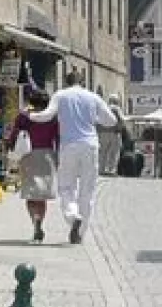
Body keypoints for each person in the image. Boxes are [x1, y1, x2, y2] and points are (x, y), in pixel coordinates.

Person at [24, 69, 118, 243]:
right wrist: (93, 119)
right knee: (87, 190)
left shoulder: (61, 95)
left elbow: (47, 115)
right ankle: (80, 233)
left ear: (67, 82)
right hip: (90, 145)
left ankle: (73, 215)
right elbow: (111, 120)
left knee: (66, 187)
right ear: (82, 81)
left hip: (69, 146)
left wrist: (31, 115)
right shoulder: (93, 97)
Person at [2, 87, 60, 243]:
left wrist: (9, 146)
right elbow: (58, 137)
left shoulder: (24, 116)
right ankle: (40, 219)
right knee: (42, 196)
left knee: (30, 193)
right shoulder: (52, 117)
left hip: (28, 155)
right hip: (47, 155)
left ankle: (35, 221)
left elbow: (14, 134)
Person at [98, 95, 126, 176]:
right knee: (114, 152)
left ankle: (101, 169)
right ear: (117, 101)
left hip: (102, 133)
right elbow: (122, 120)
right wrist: (119, 129)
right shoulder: (116, 109)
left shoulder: (103, 108)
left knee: (102, 152)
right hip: (114, 133)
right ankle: (111, 170)